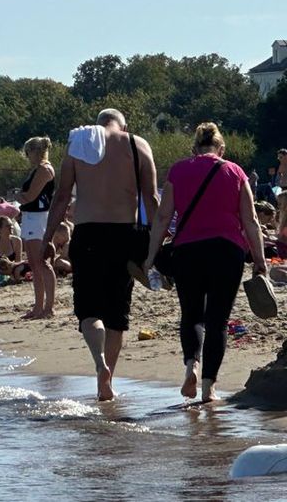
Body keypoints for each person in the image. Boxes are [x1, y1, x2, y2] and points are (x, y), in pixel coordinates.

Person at [143, 123, 269, 403]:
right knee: (218, 320)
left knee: (191, 315)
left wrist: (151, 256)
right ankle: (209, 388)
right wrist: (259, 260)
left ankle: (192, 366)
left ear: (194, 148)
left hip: (188, 251)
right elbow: (251, 220)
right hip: (227, 251)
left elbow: (163, 218)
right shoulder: (235, 171)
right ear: (221, 149)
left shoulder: (178, 170)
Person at [44, 109, 159, 401]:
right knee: (117, 313)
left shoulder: (80, 144)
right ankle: (106, 385)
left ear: (97, 125)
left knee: (89, 310)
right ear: (124, 125)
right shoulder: (138, 144)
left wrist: (48, 237)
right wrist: (158, 242)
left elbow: (61, 196)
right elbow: (150, 198)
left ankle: (100, 364)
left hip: (89, 233)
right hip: (126, 234)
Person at [18, 136, 56, 319]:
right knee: (34, 263)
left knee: (41, 262)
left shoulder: (44, 169)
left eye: (28, 152)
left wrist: (18, 196)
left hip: (38, 217)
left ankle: (48, 307)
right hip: (31, 217)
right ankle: (39, 306)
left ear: (35, 151)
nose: (27, 156)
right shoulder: (39, 169)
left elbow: (31, 196)